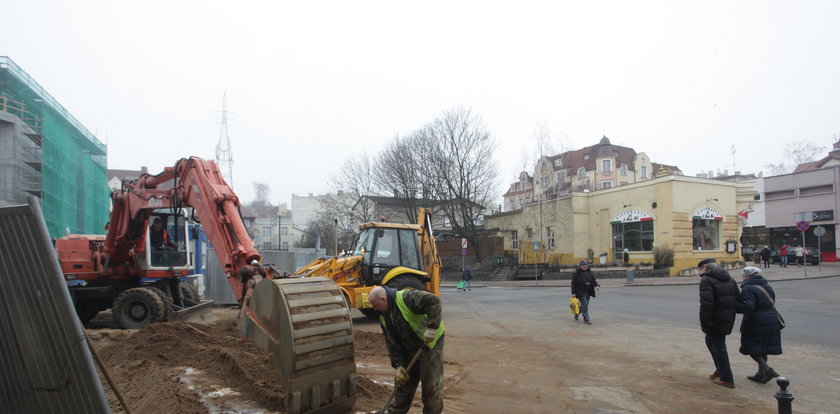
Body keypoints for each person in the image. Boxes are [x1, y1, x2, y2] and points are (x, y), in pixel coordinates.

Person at [369, 286, 445, 414]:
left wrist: (432, 329)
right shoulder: (384, 317)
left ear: (383, 299)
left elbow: (434, 301)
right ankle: (396, 411)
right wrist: (398, 366)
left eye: (376, 305)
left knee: (430, 386)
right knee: (403, 383)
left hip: (429, 344)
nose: (375, 309)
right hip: (409, 347)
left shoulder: (407, 298)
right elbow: (392, 344)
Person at [735, 266, 782, 384]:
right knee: (762, 348)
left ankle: (767, 370)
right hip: (772, 320)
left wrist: (733, 306)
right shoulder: (766, 286)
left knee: (750, 347)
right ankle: (761, 375)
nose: (742, 277)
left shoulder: (748, 288)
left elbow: (748, 307)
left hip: (756, 322)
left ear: (747, 276)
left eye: (743, 275)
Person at [698, 258, 739, 388]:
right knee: (711, 341)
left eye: (701, 268)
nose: (700, 271)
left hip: (715, 319)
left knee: (718, 346)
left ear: (706, 268)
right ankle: (720, 370)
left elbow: (706, 304)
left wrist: (705, 322)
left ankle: (727, 378)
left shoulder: (707, 280)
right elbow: (737, 299)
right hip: (727, 318)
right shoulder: (730, 279)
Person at [571, 260, 600, 325]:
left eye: (585, 265)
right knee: (585, 305)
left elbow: (593, 280)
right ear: (580, 266)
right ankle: (586, 319)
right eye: (583, 265)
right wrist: (573, 293)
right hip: (580, 292)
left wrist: (597, 285)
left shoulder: (589, 272)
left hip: (588, 291)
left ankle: (577, 312)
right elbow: (573, 283)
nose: (584, 266)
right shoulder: (577, 273)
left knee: (585, 306)